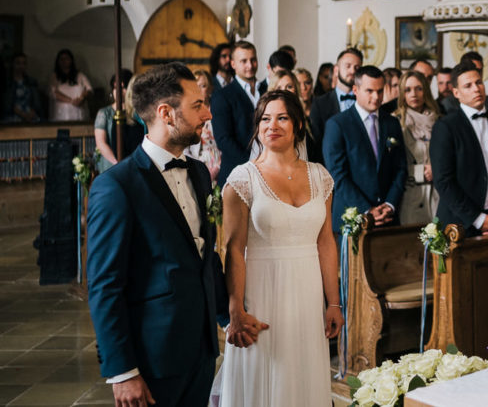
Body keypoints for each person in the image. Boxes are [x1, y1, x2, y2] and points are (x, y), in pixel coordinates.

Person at [87, 63, 231, 406]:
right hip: (152, 360)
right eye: (198, 105)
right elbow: (105, 285)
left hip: (200, 351)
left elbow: (203, 255)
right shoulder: (117, 186)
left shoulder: (198, 173)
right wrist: (122, 371)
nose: (209, 113)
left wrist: (228, 317)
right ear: (166, 113)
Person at [217, 90, 341, 406]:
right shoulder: (242, 179)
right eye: (265, 119)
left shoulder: (321, 176)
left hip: (307, 295)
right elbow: (233, 250)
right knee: (266, 372)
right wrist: (235, 309)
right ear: (257, 127)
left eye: (282, 117)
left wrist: (334, 302)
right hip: (262, 293)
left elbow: (326, 242)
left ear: (298, 124)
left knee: (303, 374)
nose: (272, 125)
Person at [430, 62, 488, 236]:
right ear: (456, 93)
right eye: (468, 86)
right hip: (461, 224)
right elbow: (444, 181)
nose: (476, 89)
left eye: (479, 83)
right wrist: (478, 219)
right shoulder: (446, 127)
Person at [322, 65, 406, 226]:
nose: (376, 97)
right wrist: (368, 210)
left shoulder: (392, 123)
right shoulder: (337, 124)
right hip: (352, 217)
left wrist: (389, 205)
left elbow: (400, 168)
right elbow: (337, 175)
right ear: (355, 90)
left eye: (380, 91)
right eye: (370, 91)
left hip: (388, 218)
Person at [394, 70, 440, 224]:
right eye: (408, 90)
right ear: (402, 93)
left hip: (437, 193)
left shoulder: (439, 120)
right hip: (411, 194)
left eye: (418, 88)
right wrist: (420, 172)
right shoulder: (395, 122)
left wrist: (436, 170)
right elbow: (391, 165)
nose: (414, 94)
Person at [211, 41, 259, 185]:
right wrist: (252, 164)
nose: (250, 65)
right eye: (244, 61)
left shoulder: (266, 90)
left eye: (253, 60)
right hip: (237, 173)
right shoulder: (222, 96)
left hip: (269, 171)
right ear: (233, 64)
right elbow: (223, 139)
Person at [309, 48, 363, 165]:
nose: (352, 71)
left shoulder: (366, 102)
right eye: (348, 66)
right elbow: (317, 144)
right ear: (336, 70)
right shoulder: (320, 104)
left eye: (357, 68)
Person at [94, 69, 145, 173]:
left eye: (122, 87)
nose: (118, 91)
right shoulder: (105, 113)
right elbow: (101, 143)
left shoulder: (137, 113)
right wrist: (118, 163)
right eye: (115, 87)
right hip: (112, 163)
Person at [187, 69, 222, 182]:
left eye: (203, 86)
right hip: (197, 162)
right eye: (196, 86)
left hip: (219, 161)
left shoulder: (219, 109)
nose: (199, 90)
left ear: (210, 88)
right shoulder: (189, 113)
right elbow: (185, 147)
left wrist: (218, 167)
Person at [49, 48, 92, 121]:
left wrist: (81, 98)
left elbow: (89, 89)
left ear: (71, 60)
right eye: (61, 59)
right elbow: (53, 92)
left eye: (66, 59)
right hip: (61, 114)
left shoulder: (80, 75)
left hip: (79, 113)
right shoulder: (54, 76)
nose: (64, 61)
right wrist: (71, 101)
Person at [2, 52, 42, 123]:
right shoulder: (7, 82)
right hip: (12, 116)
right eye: (18, 63)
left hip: (30, 115)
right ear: (13, 64)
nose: (21, 66)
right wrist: (23, 114)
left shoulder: (31, 82)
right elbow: (7, 104)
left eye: (24, 63)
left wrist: (31, 114)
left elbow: (36, 103)